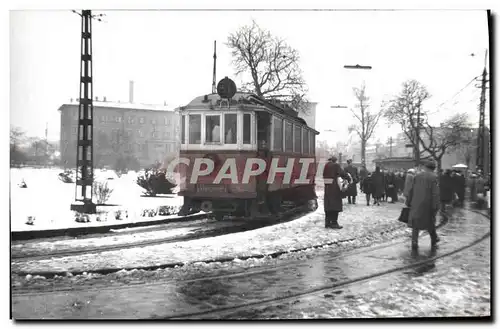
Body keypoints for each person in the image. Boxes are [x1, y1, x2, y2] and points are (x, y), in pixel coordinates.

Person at [405, 160, 440, 251]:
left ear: (425, 167)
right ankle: (434, 240)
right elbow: (435, 193)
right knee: (430, 222)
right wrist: (435, 206)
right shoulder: (434, 177)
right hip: (428, 204)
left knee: (415, 224)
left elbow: (411, 190)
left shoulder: (417, 176)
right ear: (433, 168)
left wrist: (408, 201)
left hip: (416, 203)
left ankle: (414, 242)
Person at [323, 156, 348, 229]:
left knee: (328, 206)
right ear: (335, 161)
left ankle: (327, 222)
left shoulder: (326, 166)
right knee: (335, 205)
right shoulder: (336, 165)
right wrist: (348, 177)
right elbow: (342, 173)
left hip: (327, 188)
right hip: (334, 188)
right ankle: (334, 223)